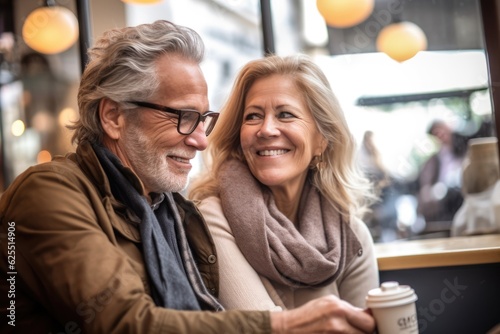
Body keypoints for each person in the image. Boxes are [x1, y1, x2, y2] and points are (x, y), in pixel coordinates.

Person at [0, 21, 375, 334]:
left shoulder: (171, 210)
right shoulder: (48, 192)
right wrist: (284, 325)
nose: (200, 140)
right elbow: (124, 324)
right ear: (113, 117)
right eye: (183, 117)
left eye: (203, 119)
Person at [189, 54, 379, 312]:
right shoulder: (212, 217)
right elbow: (262, 328)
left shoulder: (350, 235)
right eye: (253, 116)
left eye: (285, 114)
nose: (266, 129)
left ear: (321, 140)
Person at [417, 120, 465, 225]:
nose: (440, 135)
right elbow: (427, 183)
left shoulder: (464, 149)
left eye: (440, 131)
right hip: (444, 197)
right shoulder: (434, 160)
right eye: (435, 134)